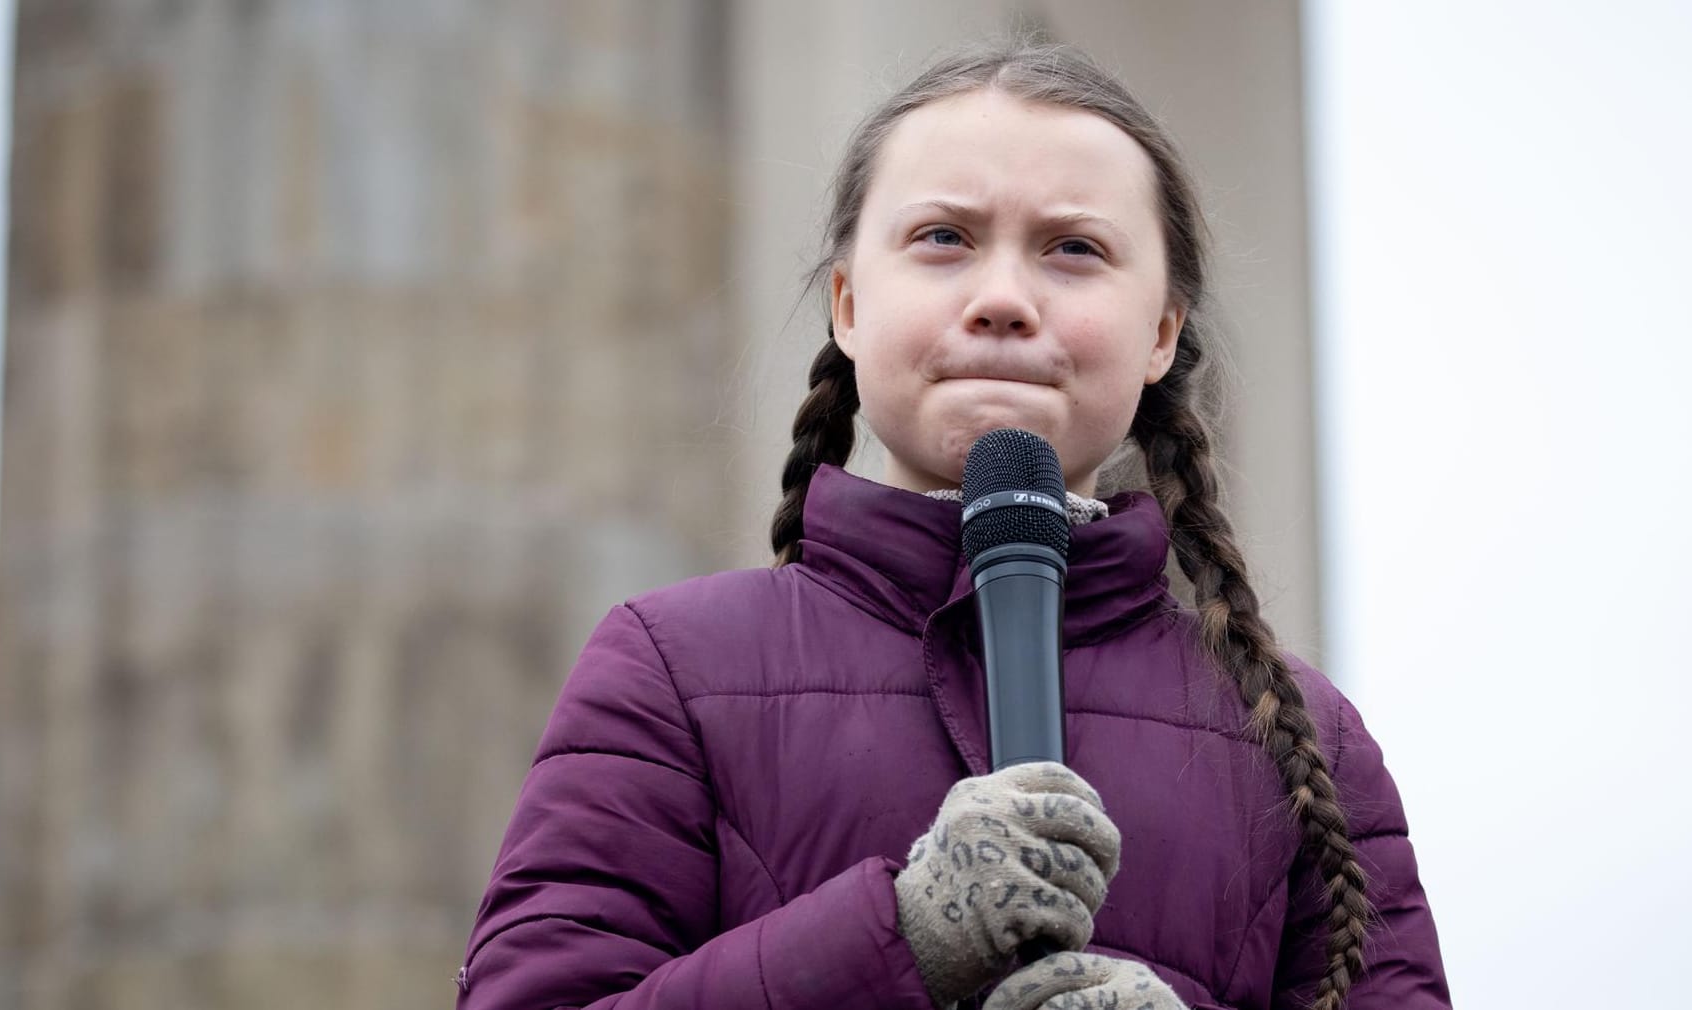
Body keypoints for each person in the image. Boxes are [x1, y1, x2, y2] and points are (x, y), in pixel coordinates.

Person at [455, 40, 1449, 1010]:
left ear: (1161, 333)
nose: (1005, 299)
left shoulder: (1302, 740)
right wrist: (901, 937)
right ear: (847, 303)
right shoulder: (669, 669)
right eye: (943, 239)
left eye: (1074, 248)